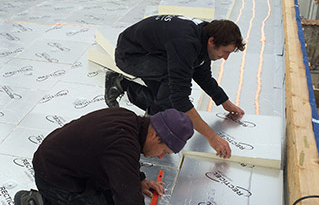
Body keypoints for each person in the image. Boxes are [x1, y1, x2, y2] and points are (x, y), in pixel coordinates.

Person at [14, 107, 194, 205]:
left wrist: (137, 180)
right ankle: (37, 202)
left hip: (74, 168)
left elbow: (119, 162)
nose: (161, 156)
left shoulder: (130, 121)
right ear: (156, 135)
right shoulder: (123, 144)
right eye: (164, 150)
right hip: (56, 178)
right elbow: (129, 202)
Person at [105, 15, 246, 159]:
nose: (225, 57)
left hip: (153, 52)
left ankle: (125, 86)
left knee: (167, 97)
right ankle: (147, 119)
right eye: (225, 51)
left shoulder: (204, 36)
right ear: (212, 42)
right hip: (129, 55)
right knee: (171, 86)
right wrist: (212, 137)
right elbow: (180, 99)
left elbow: (203, 75)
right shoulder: (186, 43)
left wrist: (225, 102)